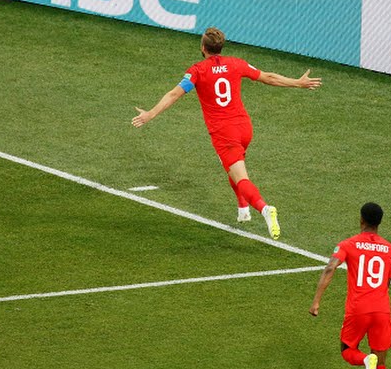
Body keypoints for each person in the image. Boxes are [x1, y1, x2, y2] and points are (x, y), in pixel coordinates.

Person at [131, 27, 322, 240]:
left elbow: (174, 94)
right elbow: (267, 77)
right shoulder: (236, 63)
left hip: (224, 133)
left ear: (203, 48)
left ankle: (265, 209)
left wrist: (150, 114)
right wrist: (297, 82)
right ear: (220, 47)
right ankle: (243, 209)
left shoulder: (197, 70)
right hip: (244, 128)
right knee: (231, 167)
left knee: (241, 177)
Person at [309, 202, 391, 369]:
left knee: (347, 350)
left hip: (359, 309)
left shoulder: (348, 244)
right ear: (380, 223)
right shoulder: (390, 249)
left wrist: (316, 301)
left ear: (361, 220)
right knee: (382, 364)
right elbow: (387, 282)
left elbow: (330, 268)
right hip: (382, 310)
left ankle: (366, 360)